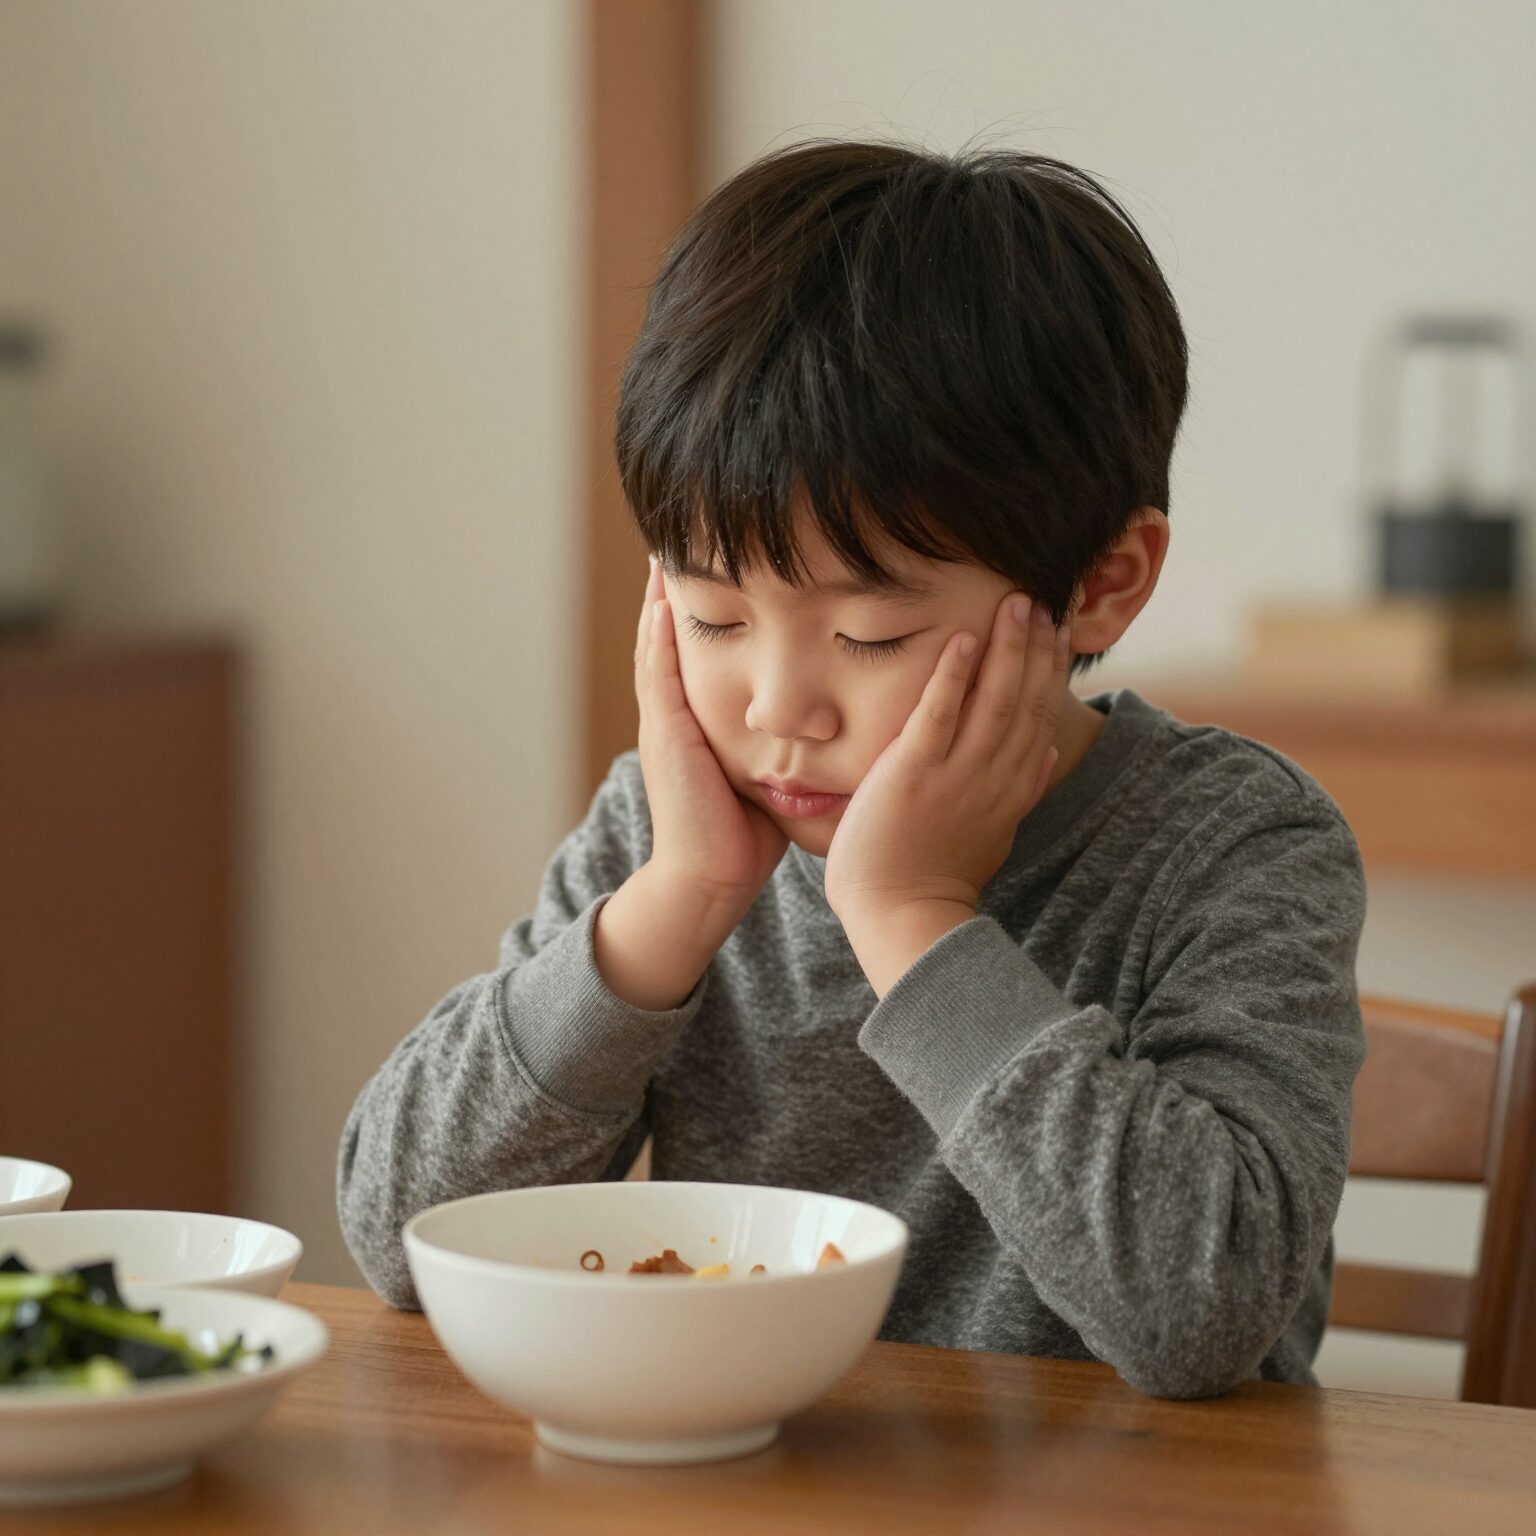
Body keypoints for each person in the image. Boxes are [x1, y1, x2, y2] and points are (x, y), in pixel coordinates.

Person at [338, 140, 1366, 1399]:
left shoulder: (1234, 846)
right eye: (713, 618)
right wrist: (670, 906)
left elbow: (1199, 1313)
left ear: (1103, 583)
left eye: (869, 635)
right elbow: (397, 1238)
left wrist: (911, 918)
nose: (777, 707)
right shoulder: (675, 833)